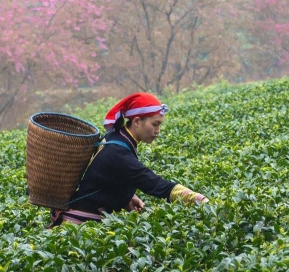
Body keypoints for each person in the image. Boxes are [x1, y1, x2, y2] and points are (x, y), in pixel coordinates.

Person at [50, 93, 208, 227]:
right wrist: (200, 200)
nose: (158, 131)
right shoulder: (119, 152)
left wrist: (127, 198)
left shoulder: (116, 137)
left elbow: (105, 178)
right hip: (77, 226)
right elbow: (155, 185)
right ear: (137, 121)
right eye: (155, 124)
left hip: (80, 218)